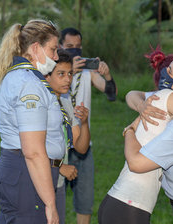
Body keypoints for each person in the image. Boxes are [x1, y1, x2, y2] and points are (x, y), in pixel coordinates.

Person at [98, 49, 173, 224]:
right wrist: (130, 129)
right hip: (129, 207)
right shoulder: (168, 97)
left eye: (170, 71)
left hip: (123, 202)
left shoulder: (169, 101)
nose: (165, 76)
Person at [0, 19, 63, 224]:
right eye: (53, 50)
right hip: (28, 175)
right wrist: (50, 203)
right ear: (35, 48)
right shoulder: (29, 85)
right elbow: (33, 151)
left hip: (21, 171)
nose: (56, 58)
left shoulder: (17, 77)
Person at [59, 27, 117, 224]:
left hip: (83, 145)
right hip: (59, 146)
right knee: (53, 200)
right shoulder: (53, 70)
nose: (74, 51)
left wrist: (107, 75)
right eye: (69, 47)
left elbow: (111, 94)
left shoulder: (88, 72)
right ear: (60, 46)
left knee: (85, 202)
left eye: (78, 47)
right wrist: (68, 71)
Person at [44, 49, 91, 224]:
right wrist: (59, 166)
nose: (68, 79)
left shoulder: (65, 103)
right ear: (47, 76)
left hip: (58, 183)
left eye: (70, 73)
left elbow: (81, 147)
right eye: (61, 74)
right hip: (39, 180)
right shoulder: (41, 104)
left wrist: (84, 123)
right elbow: (32, 146)